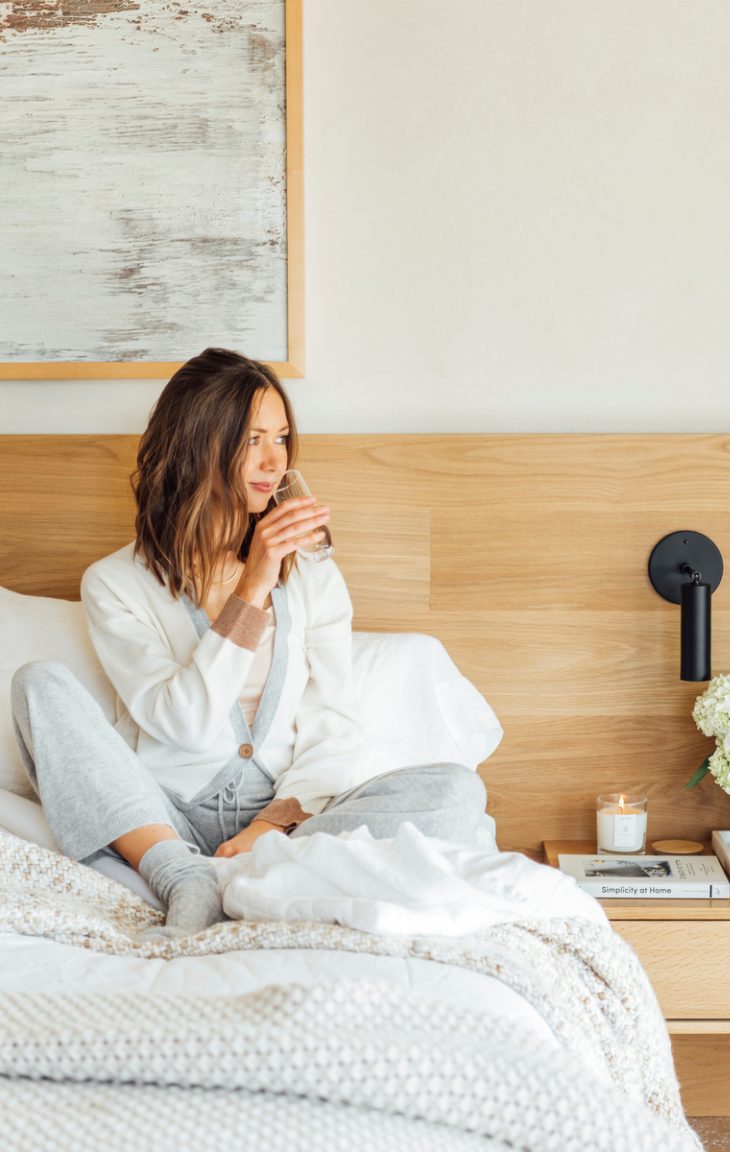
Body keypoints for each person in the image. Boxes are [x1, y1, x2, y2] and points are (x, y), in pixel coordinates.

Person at [11, 348, 488, 938]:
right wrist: (254, 584)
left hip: (287, 826)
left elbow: (334, 720)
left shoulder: (313, 574)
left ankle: (252, 874)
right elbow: (182, 725)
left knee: (455, 791)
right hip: (162, 817)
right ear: (198, 444)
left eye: (282, 438)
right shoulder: (117, 582)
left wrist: (266, 830)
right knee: (38, 685)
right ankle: (181, 875)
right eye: (252, 439)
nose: (273, 460)